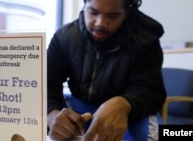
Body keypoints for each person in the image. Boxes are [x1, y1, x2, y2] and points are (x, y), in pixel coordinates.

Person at [47, 0, 166, 140]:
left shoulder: (146, 39)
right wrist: (51, 115)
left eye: (113, 16)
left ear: (127, 12)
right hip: (80, 106)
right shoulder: (64, 37)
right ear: (84, 5)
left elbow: (152, 91)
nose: (100, 23)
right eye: (93, 12)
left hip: (129, 112)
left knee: (155, 136)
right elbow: (47, 83)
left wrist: (124, 104)